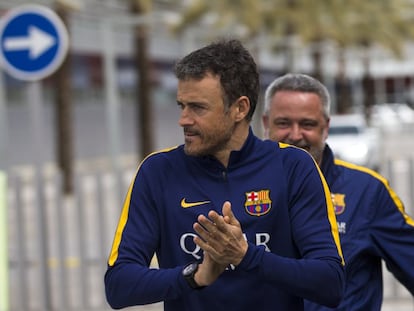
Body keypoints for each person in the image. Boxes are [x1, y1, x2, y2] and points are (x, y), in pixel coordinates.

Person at [104, 39, 344, 311]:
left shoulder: (293, 166)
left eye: (198, 107)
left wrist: (245, 255)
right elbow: (118, 286)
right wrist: (196, 276)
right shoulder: (157, 171)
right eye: (181, 105)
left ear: (240, 109)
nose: (184, 119)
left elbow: (331, 282)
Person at [262, 73, 414, 311]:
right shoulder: (239, 188)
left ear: (326, 127)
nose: (294, 135)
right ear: (265, 123)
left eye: (307, 124)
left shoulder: (368, 192)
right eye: (283, 123)